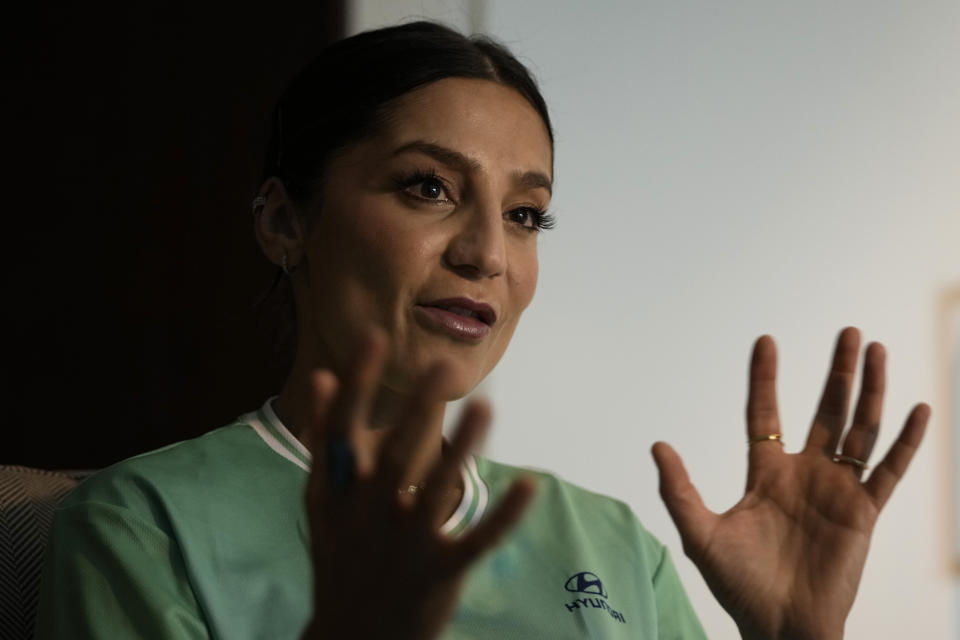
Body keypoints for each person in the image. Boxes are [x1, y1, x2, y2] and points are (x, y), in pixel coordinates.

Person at [35, 21, 929, 640]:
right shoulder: (140, 526)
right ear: (283, 222)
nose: (487, 253)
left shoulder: (609, 543)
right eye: (428, 186)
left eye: (527, 215)